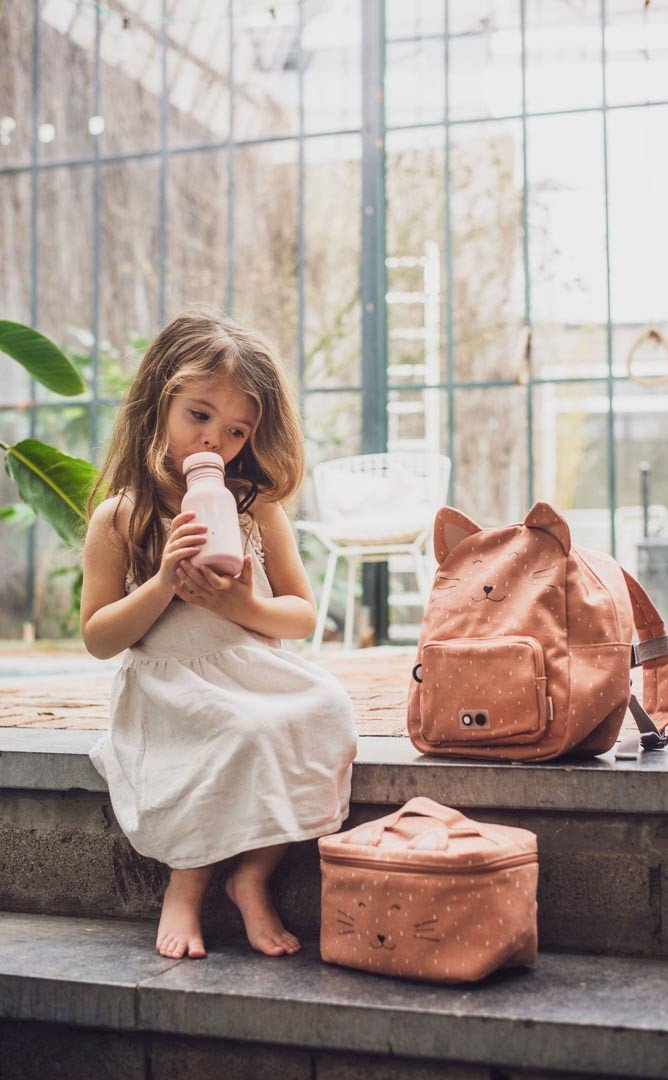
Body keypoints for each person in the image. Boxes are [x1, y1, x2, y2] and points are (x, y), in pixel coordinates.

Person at [81, 305, 358, 962]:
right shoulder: (122, 517)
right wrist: (162, 584)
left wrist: (242, 604)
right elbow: (98, 636)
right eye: (199, 416)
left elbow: (301, 613)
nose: (213, 441)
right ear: (158, 403)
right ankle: (188, 883)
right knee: (239, 732)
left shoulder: (255, 509)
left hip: (249, 667)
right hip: (174, 685)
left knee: (326, 709)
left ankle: (251, 876)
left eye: (236, 430)